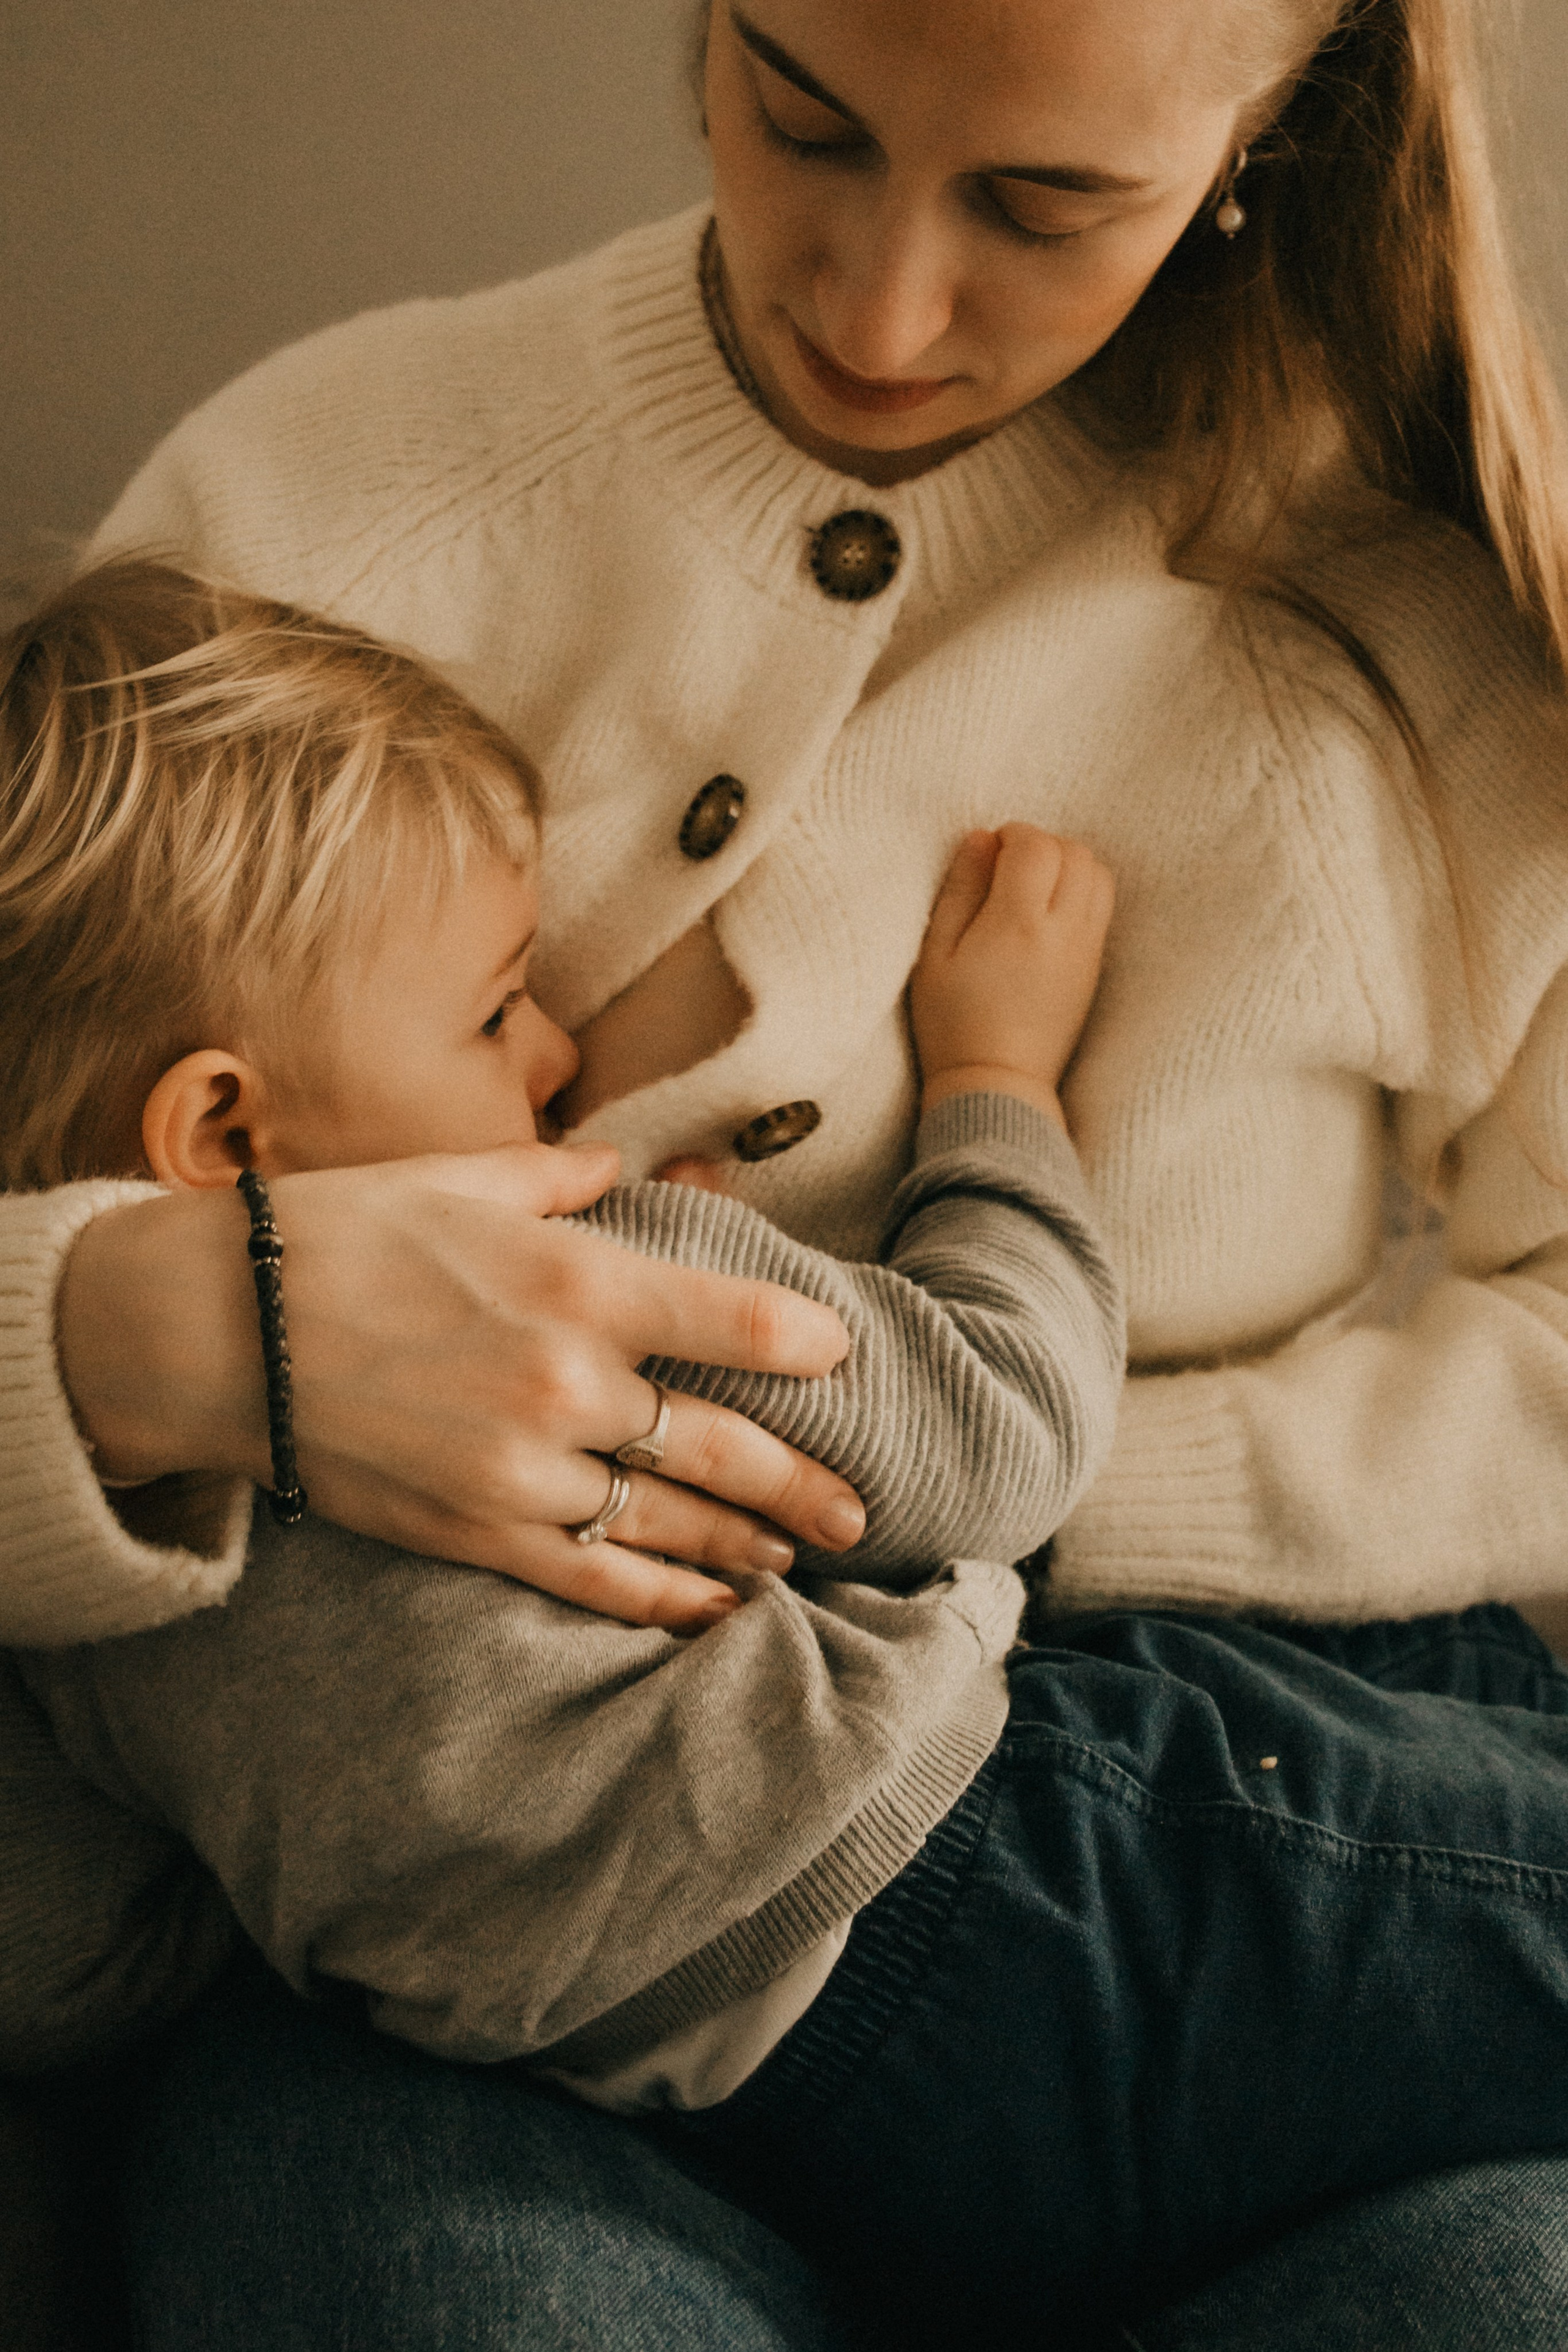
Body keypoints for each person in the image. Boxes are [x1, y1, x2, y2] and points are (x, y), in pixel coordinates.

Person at [8, 0, 1568, 2342]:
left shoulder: (1420, 624)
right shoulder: (310, 513)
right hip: (498, 2039)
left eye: (1046, 204)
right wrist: (155, 1337)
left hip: (1207, 1742)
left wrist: (968, 1501)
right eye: (799, 114)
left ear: (1271, 129)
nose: (875, 307)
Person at [4, 554, 1121, 2086]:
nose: (557, 1049)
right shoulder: (556, 1279)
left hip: (579, 2076)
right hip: (994, 1848)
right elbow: (1006, 1440)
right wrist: (999, 1083)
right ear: (227, 1134)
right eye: (491, 1010)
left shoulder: (68, 1614)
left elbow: (74, 1977)